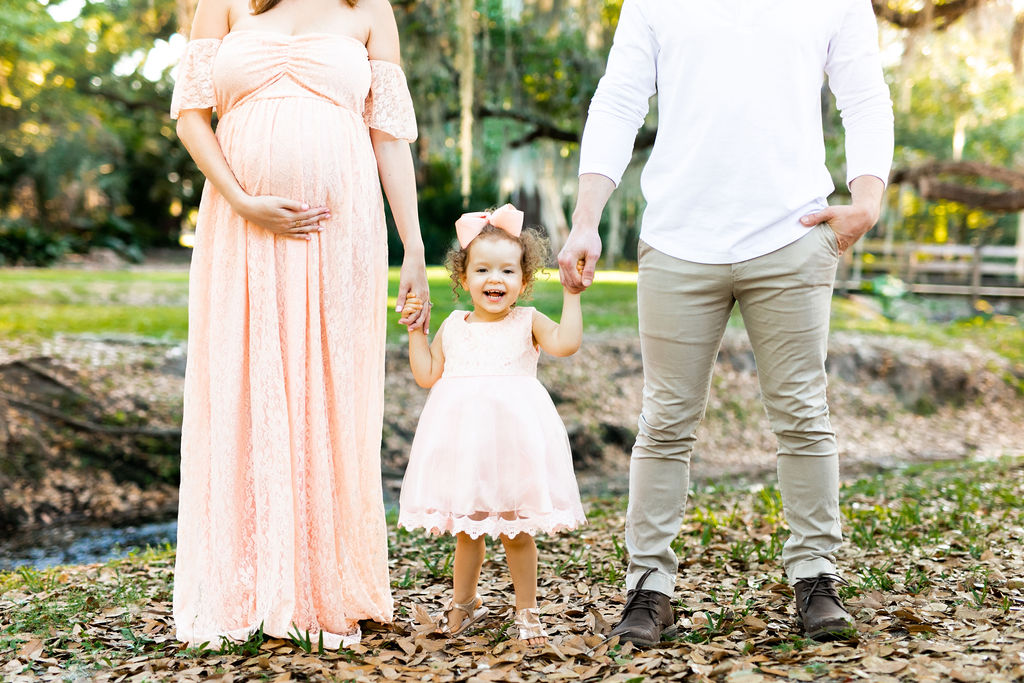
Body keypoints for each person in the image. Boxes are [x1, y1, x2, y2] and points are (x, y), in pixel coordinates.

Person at [558, 0, 894, 645]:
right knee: (665, 421)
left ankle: (816, 577)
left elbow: (864, 93)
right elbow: (619, 98)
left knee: (801, 412)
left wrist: (868, 200)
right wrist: (585, 218)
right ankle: (648, 587)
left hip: (793, 236)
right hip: (678, 240)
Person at [169, 0, 429, 648]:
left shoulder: (369, 9)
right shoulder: (224, 4)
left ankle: (323, 585)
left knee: (330, 395)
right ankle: (248, 584)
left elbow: (388, 136)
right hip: (239, 227)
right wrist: (241, 197)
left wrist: (415, 248)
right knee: (243, 389)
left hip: (341, 232)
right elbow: (191, 117)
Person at [397, 204, 587, 645]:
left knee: (516, 531)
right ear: (464, 280)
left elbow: (567, 343)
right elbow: (427, 375)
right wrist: (415, 333)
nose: (494, 279)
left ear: (523, 282)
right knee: (469, 529)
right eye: (482, 270)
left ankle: (528, 610)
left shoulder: (527, 321)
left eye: (507, 271)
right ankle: (463, 601)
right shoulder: (453, 325)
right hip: (465, 445)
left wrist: (572, 296)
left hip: (514, 443)